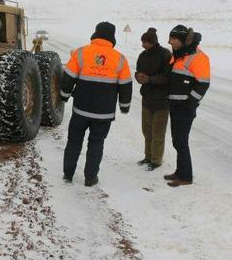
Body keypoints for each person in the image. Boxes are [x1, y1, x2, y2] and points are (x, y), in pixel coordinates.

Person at [60, 21, 132, 186]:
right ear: (112, 37)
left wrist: (64, 96)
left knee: (74, 141)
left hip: (81, 110)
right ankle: (90, 178)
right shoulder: (120, 59)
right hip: (104, 113)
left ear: (96, 33)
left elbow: (68, 78)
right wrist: (124, 107)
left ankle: (68, 174)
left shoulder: (81, 53)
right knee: (96, 143)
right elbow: (126, 85)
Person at [165, 25, 210, 187]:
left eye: (174, 39)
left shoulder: (198, 57)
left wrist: (190, 104)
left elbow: (203, 84)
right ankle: (180, 171)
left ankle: (186, 177)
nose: (171, 42)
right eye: (170, 39)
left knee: (181, 141)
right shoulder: (179, 55)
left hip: (184, 107)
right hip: (175, 104)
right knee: (177, 140)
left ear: (183, 40)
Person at [135, 28, 172, 171]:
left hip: (162, 100)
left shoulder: (165, 54)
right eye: (142, 42)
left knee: (158, 132)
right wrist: (138, 77)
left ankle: (156, 160)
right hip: (147, 98)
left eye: (144, 42)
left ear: (152, 42)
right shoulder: (142, 56)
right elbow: (139, 71)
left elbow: (167, 77)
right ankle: (148, 156)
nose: (142, 45)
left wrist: (149, 79)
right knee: (147, 130)